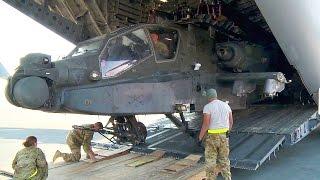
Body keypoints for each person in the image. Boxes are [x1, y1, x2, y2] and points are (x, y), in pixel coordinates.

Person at [198, 89, 233, 180]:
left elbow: (206, 124)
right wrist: (227, 132)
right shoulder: (226, 106)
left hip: (212, 137)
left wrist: (200, 138)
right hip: (224, 136)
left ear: (208, 97)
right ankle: (227, 178)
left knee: (211, 161)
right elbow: (231, 122)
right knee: (224, 160)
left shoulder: (208, 107)